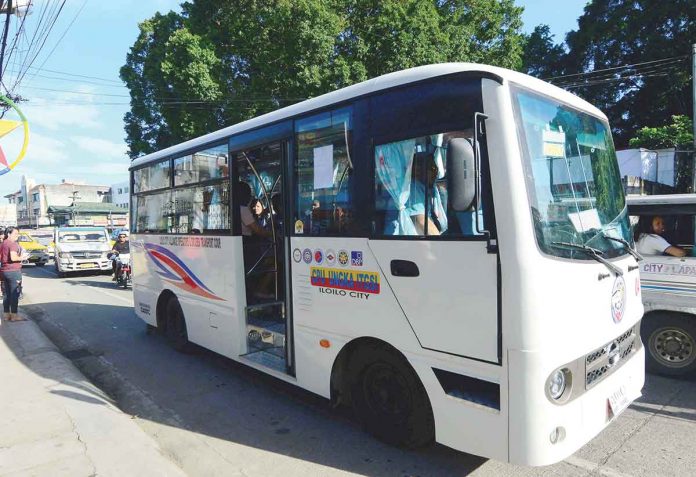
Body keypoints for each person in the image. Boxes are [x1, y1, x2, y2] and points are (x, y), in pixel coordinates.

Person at [0, 227, 29, 321]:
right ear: (9, 234)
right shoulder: (13, 244)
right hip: (13, 271)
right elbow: (13, 258)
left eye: (18, 234)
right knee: (14, 293)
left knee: (6, 294)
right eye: (15, 233)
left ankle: (6, 315)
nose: (17, 235)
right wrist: (23, 257)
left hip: (4, 271)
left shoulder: (2, 243)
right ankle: (14, 315)